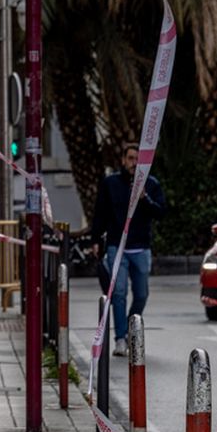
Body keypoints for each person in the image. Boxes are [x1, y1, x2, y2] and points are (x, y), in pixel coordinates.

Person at [89, 143, 166, 355]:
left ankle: (132, 326)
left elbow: (161, 212)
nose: (134, 163)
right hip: (117, 246)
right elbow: (100, 213)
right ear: (123, 160)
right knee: (119, 293)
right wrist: (95, 240)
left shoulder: (151, 184)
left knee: (141, 294)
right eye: (130, 159)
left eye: (138, 160)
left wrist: (145, 198)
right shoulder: (111, 183)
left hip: (140, 248)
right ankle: (121, 338)